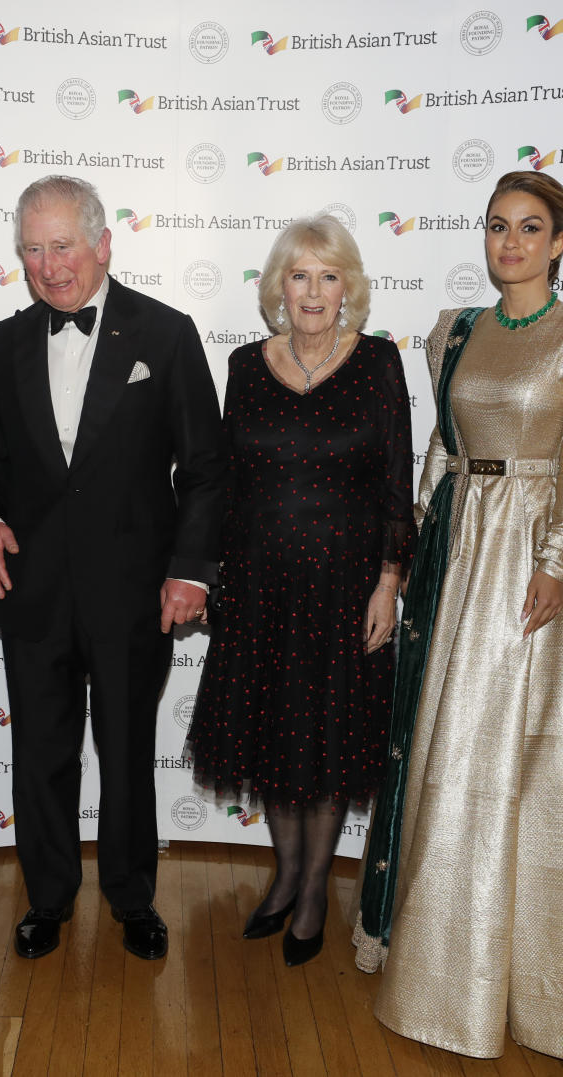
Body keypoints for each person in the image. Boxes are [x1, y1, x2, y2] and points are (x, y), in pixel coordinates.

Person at [353, 171, 563, 1062]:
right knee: (448, 745)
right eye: (498, 226)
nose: (511, 242)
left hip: (529, 553)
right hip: (457, 548)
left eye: (530, 228)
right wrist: (414, 551)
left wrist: (554, 561)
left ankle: (553, 981)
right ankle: (441, 965)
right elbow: (442, 446)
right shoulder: (452, 333)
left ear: (559, 242)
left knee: (527, 754)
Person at [0, 176, 224, 961]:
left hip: (133, 594)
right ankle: (46, 897)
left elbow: (207, 466)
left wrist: (190, 569)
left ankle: (131, 897)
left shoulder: (167, 333)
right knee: (40, 752)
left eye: (64, 246)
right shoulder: (7, 341)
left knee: (124, 752)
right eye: (34, 250)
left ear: (104, 244)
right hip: (32, 590)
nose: (50, 267)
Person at [186, 215, 416, 967]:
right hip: (259, 582)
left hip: (346, 585)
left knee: (325, 737)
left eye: (327, 275)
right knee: (274, 733)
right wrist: (214, 571)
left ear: (347, 286)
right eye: (299, 275)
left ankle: (315, 889)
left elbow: (395, 483)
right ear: (277, 286)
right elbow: (224, 482)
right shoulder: (245, 367)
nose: (313, 291)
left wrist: (388, 582)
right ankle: (284, 874)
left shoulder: (380, 362)